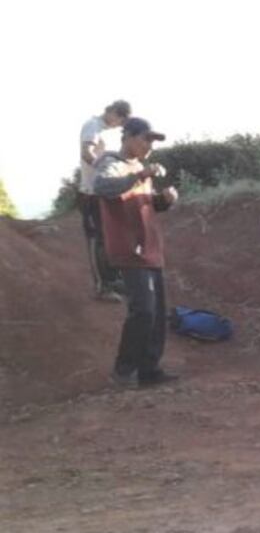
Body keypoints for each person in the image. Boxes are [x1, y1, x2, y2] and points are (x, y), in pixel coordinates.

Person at [93, 117, 179, 388]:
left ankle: (148, 369)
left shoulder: (140, 167)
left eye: (153, 141)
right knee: (143, 310)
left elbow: (143, 205)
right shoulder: (111, 165)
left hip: (150, 247)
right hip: (129, 250)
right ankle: (123, 371)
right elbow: (103, 188)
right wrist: (140, 175)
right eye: (146, 139)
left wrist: (163, 201)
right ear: (128, 137)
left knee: (155, 313)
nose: (149, 145)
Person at [78, 100, 130, 300]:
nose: (119, 126)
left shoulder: (105, 129)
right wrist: (104, 168)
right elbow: (87, 152)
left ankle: (113, 279)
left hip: (105, 191)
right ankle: (103, 287)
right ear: (114, 113)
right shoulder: (93, 126)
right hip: (92, 191)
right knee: (98, 239)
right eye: (120, 121)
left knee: (110, 237)